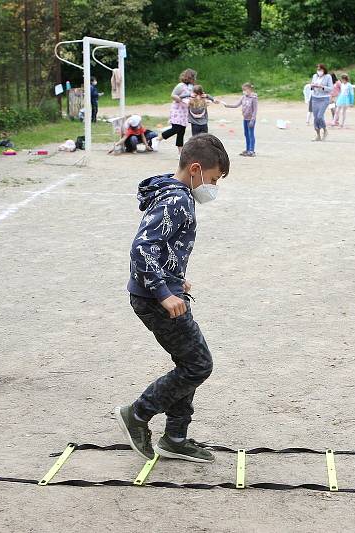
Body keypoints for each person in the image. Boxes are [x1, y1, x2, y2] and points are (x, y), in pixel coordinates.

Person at [115, 133, 230, 464]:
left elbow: (162, 246)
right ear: (195, 169)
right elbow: (142, 247)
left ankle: (176, 438)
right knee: (199, 364)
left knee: (189, 362)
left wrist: (175, 277)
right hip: (155, 299)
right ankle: (137, 414)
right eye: (213, 179)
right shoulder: (176, 200)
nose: (213, 186)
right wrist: (164, 292)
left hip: (162, 289)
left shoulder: (173, 192)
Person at [152, 69, 196, 155]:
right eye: (193, 77)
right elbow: (173, 95)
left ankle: (180, 153)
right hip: (177, 110)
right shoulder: (180, 85)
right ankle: (157, 139)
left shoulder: (191, 87)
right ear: (189, 77)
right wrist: (179, 99)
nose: (194, 79)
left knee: (181, 131)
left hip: (184, 111)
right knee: (176, 128)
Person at [223, 82, 258, 157]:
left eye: (245, 89)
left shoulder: (254, 98)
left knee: (251, 134)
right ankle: (248, 149)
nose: (244, 91)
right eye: (243, 90)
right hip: (245, 119)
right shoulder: (243, 97)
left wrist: (253, 119)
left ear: (249, 89)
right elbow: (236, 105)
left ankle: (252, 150)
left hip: (251, 119)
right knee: (246, 134)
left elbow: (255, 110)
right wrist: (228, 105)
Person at [310, 63, 333, 141]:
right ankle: (318, 135)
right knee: (316, 117)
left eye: (320, 69)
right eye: (317, 69)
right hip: (315, 98)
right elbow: (312, 86)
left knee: (320, 116)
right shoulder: (314, 76)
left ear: (324, 70)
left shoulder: (328, 77)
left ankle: (325, 130)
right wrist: (312, 86)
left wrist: (322, 87)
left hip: (324, 98)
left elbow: (330, 88)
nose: (318, 71)